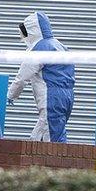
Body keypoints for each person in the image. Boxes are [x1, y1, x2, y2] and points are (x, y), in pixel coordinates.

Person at [7, 12, 75, 142]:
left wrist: (11, 94)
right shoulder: (61, 47)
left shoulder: (40, 48)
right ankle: (35, 162)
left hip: (51, 97)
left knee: (50, 140)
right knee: (46, 135)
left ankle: (49, 163)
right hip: (67, 97)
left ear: (32, 30)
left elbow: (22, 76)